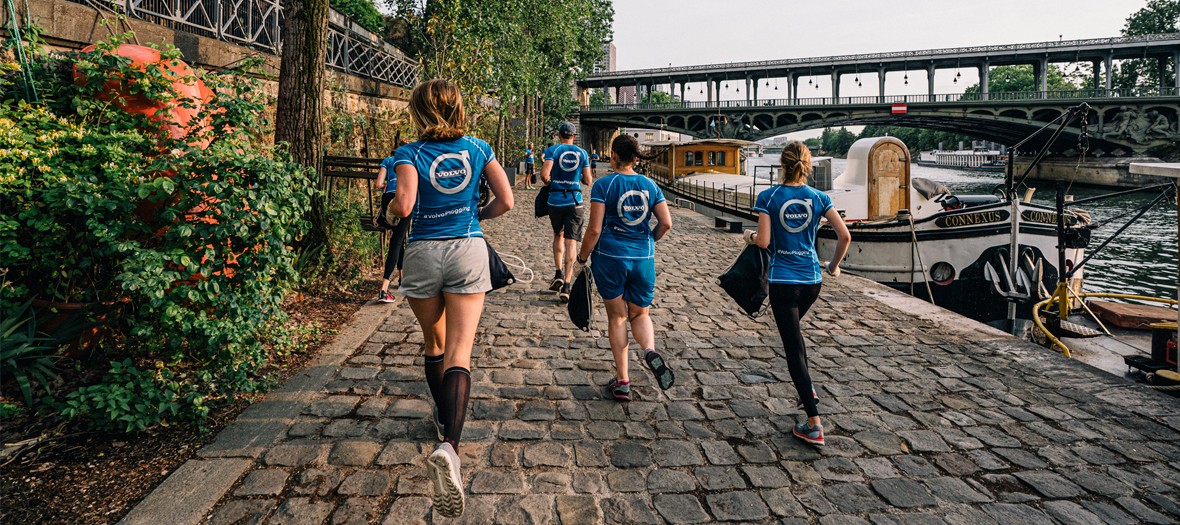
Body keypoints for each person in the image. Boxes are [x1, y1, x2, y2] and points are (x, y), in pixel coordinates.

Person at [389, 78, 514, 517]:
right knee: (461, 351)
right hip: (467, 248)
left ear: (419, 111)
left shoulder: (407, 152)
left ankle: (443, 416)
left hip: (423, 251)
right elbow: (507, 200)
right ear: (459, 107)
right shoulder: (479, 147)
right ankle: (451, 446)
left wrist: (388, 211)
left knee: (434, 344)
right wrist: (475, 214)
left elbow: (403, 206)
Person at [745, 140, 850, 447]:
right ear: (807, 164)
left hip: (783, 282)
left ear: (782, 165)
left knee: (793, 350)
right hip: (811, 282)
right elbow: (844, 235)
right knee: (796, 341)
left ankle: (814, 423)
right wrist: (832, 266)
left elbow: (763, 241)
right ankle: (808, 390)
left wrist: (748, 235)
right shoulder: (819, 197)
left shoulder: (770, 196)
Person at [575, 134, 675, 402]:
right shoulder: (650, 185)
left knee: (618, 317)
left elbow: (594, 229)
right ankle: (650, 351)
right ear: (635, 157)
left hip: (610, 258)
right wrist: (647, 241)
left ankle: (622, 381)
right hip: (643, 259)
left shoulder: (604, 185)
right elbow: (666, 223)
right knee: (641, 314)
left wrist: (582, 258)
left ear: (614, 156)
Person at [540, 121, 592, 302]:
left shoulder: (552, 151)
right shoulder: (582, 153)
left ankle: (558, 273)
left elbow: (544, 176)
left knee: (558, 234)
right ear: (574, 136)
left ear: (559, 135)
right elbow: (588, 180)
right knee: (572, 242)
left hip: (555, 201)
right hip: (575, 201)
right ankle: (567, 285)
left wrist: (553, 182)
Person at [375, 148, 412, 303]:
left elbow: (378, 184)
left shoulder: (388, 160)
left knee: (398, 238)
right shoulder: (411, 160)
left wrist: (387, 185)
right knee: (397, 241)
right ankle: (384, 289)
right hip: (404, 199)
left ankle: (402, 277)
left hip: (388, 199)